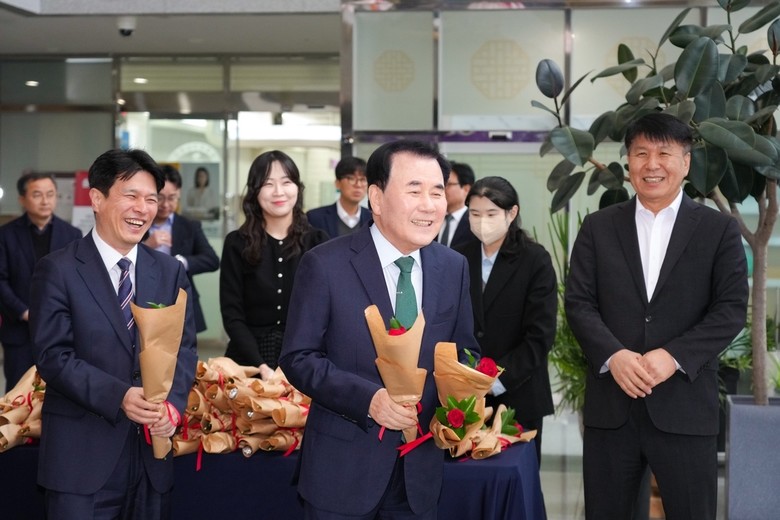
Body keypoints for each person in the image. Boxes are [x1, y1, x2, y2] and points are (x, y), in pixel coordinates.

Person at [279, 140, 479, 519]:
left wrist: (461, 400)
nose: (429, 205)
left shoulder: (453, 267)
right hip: (343, 472)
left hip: (419, 475)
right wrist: (369, 400)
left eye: (437, 192)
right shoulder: (325, 264)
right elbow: (298, 357)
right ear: (377, 197)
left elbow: (464, 352)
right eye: (414, 191)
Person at [564, 112, 749, 520]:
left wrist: (674, 356)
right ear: (628, 161)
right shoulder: (598, 227)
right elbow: (578, 302)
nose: (652, 164)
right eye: (641, 153)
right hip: (613, 409)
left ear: (686, 162)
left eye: (664, 153)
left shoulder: (718, 229)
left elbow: (730, 309)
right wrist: (614, 356)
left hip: (685, 408)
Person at [29, 149, 198, 520]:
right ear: (97, 198)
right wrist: (119, 395)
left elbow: (184, 348)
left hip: (152, 456)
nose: (143, 209)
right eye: (131, 195)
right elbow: (53, 356)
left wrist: (173, 406)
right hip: (82, 460)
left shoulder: (168, 271)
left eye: (151, 199)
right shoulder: (57, 269)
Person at [454, 176, 556, 465]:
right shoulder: (458, 257)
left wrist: (494, 381)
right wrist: (464, 378)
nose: (482, 222)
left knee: (514, 482)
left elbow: (540, 335)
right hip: (464, 399)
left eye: (491, 214)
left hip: (518, 396)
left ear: (512, 213)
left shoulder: (535, 260)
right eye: (475, 214)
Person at [220, 150, 327, 380]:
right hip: (247, 362)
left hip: (304, 360)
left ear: (297, 188)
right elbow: (232, 314)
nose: (279, 191)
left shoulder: (318, 241)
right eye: (268, 184)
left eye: (286, 182)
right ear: (254, 192)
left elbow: (325, 314)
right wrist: (261, 366)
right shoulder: (236, 243)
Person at [0, 172, 82, 393]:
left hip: (61, 330)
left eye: (50, 194)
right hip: (19, 331)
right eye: (37, 195)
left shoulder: (72, 235)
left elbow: (78, 281)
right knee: (18, 393)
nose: (45, 201)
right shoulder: (5, 235)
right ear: (22, 199)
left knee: (59, 392)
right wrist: (23, 311)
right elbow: (1, 281)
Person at [144, 164, 219, 333]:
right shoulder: (139, 222)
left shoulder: (189, 226)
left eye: (172, 198)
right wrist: (146, 246)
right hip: (144, 301)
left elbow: (212, 260)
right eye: (160, 197)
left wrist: (181, 262)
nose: (166, 204)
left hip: (181, 303)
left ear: (179, 194)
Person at [306, 156, 372, 239]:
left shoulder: (372, 218)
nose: (358, 185)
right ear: (337, 183)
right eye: (351, 179)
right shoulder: (315, 218)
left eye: (363, 180)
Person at [438, 161, 477, 248]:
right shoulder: (433, 218)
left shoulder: (475, 223)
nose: (442, 189)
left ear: (466, 189)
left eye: (448, 184)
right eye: (441, 185)